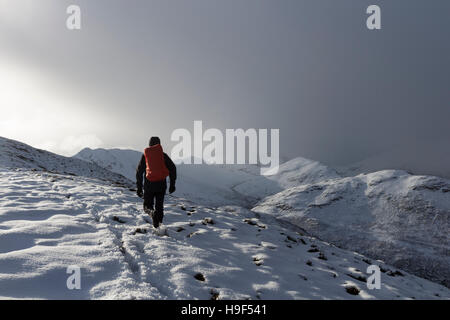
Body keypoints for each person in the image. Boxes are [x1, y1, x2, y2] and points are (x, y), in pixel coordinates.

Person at [136, 136, 177, 228]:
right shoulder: (163, 155)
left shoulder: (145, 156)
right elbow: (173, 168)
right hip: (161, 185)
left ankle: (152, 214)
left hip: (149, 185)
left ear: (149, 144)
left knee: (147, 206)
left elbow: (139, 171)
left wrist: (139, 187)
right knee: (159, 207)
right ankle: (159, 227)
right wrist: (172, 184)